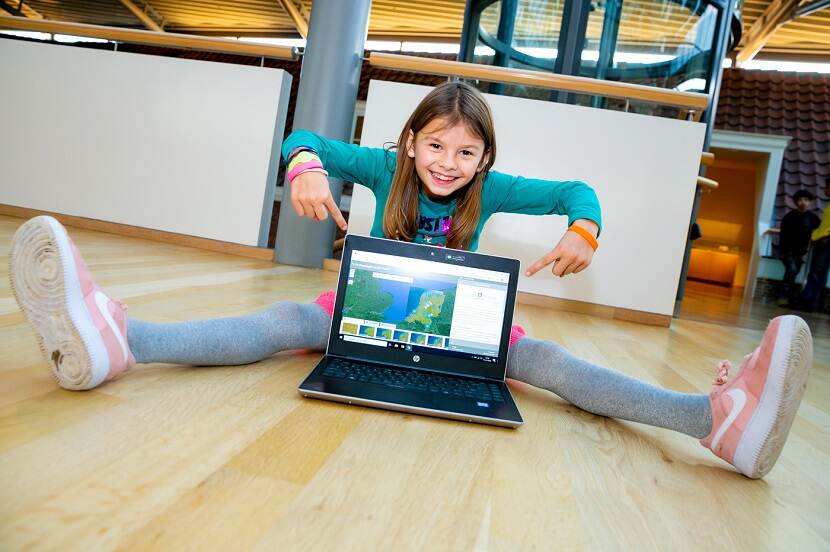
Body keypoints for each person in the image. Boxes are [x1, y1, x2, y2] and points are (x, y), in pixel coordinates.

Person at [9, 82, 812, 479]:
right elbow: (306, 134)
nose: (447, 165)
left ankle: (713, 421)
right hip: (366, 309)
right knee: (288, 321)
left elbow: (576, 194)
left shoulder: (491, 189)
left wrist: (584, 228)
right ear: (411, 141)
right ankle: (121, 341)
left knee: (553, 366)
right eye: (435, 148)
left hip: (463, 324)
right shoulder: (383, 167)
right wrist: (307, 166)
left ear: (485, 161)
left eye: (466, 155)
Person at [794, 177, 830, 312]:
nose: (826, 190)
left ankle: (809, 301)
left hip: (825, 243)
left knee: (817, 272)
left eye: (827, 187)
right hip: (820, 241)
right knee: (816, 272)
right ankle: (809, 300)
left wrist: (826, 238)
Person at [777, 190, 820, 303]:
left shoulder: (812, 218)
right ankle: (783, 296)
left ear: (809, 202)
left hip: (801, 253)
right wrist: (783, 250)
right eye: (800, 200)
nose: (803, 202)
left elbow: (819, 229)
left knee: (793, 273)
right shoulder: (790, 216)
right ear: (796, 202)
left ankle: (787, 296)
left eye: (806, 200)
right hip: (788, 251)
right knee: (792, 270)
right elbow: (783, 234)